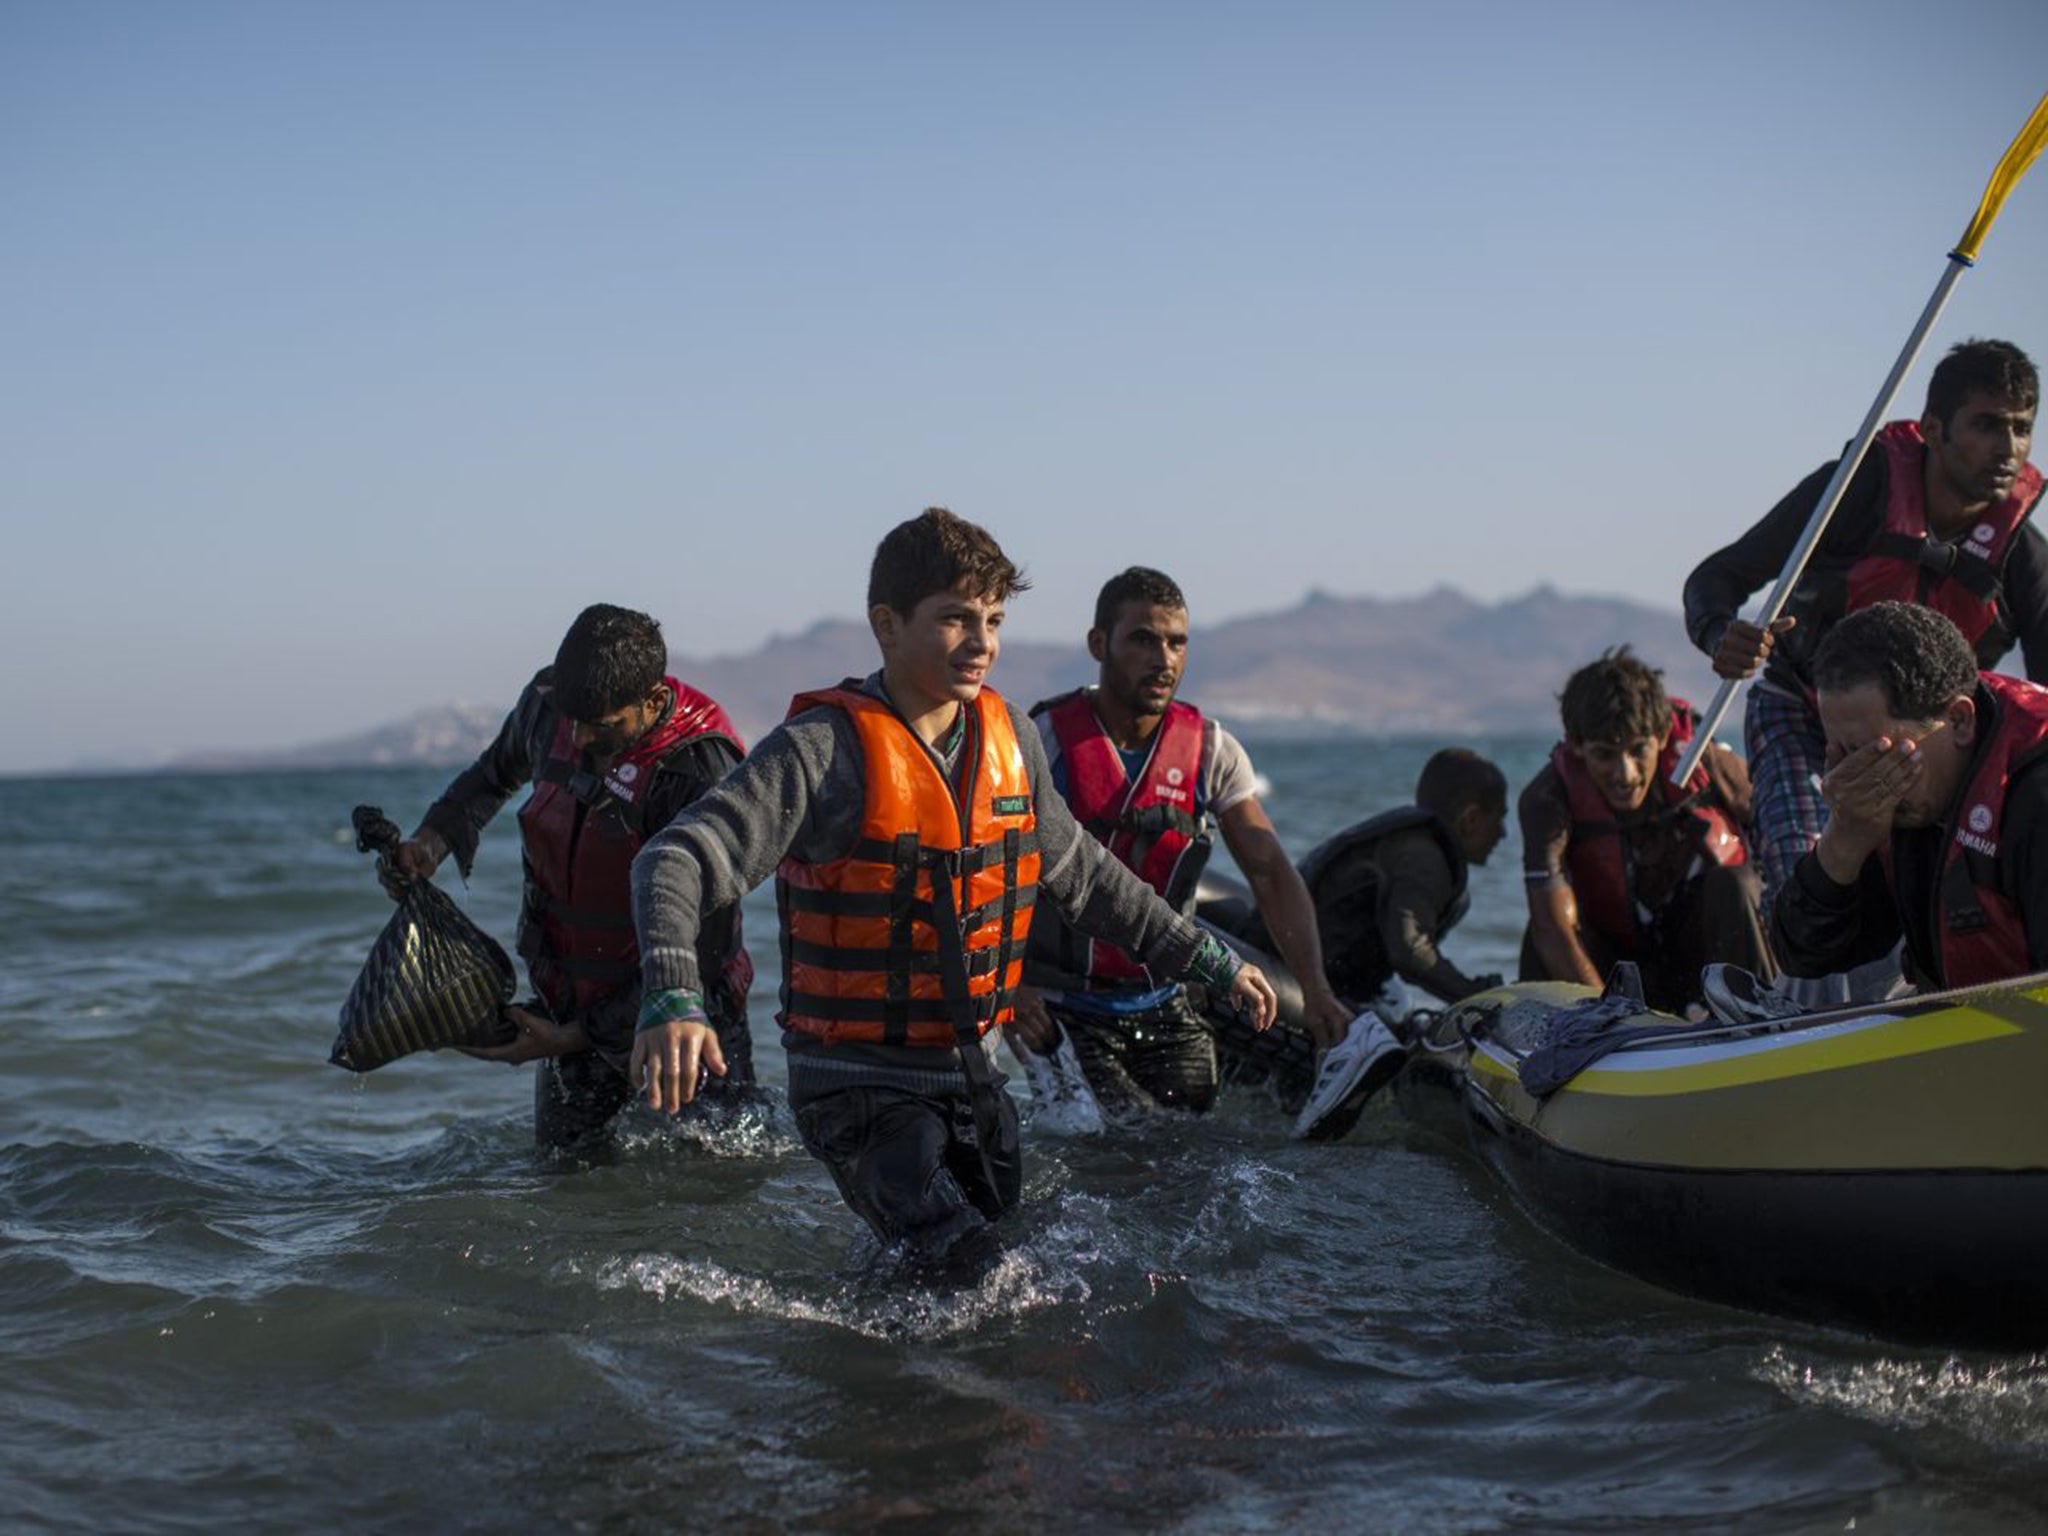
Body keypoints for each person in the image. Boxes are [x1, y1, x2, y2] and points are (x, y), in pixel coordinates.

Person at [627, 510, 1277, 1267]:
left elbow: (1090, 879)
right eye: (955, 620)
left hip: (973, 1072)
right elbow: (672, 860)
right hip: (856, 1084)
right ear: (887, 625)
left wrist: (1207, 960)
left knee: (1000, 1266)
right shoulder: (820, 750)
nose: (983, 643)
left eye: (994, 620)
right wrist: (673, 992)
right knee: (970, 1269)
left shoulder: (1013, 740)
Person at [1684, 339, 2044, 906]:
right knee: (1807, 872)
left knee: (1918, 892)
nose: (2008, 449)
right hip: (1801, 714)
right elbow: (1717, 577)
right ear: (1931, 428)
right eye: (1987, 425)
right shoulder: (1852, 492)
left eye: (2022, 429)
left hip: (1926, 748)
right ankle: (1804, 986)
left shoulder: (2021, 556)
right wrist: (1718, 634)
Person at [388, 604, 755, 1151]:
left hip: (685, 1030)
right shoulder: (548, 706)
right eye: (572, 720)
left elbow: (699, 954)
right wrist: (430, 842)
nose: (579, 739)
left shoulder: (699, 768)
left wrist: (574, 1036)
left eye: (602, 727)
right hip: (569, 1021)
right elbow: (491, 776)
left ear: (652, 703)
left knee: (706, 1196)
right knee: (564, 1194)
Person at [1005, 566, 1355, 1125]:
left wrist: (1314, 990)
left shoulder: (1211, 749)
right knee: (1099, 1142)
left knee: (1192, 1140)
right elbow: (983, 868)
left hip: (1163, 997)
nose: (1163, 658)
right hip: (1059, 1004)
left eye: (1176, 642)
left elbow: (1269, 872)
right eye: (1143, 639)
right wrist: (1010, 983)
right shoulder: (1042, 738)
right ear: (1100, 644)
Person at [1770, 601, 2048, 989]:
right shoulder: (1900, 797)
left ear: (1959, 721)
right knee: (1799, 988)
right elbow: (1805, 955)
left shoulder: (2035, 793)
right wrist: (1843, 841)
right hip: (1966, 1019)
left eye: (1875, 753)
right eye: (1842, 753)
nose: (1854, 774)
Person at [1518, 648, 1774, 1015]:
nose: (1626, 774)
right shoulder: (1546, 799)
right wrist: (1614, 1020)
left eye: (1639, 751)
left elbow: (1786, 846)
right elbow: (1552, 929)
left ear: (1663, 734)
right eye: (1604, 755)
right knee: (1539, 933)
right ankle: (1566, 1045)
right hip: (1618, 972)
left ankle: (1761, 1022)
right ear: (1576, 747)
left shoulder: (1708, 763)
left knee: (1737, 884)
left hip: (1705, 959)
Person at [1295, 746, 1509, 1008]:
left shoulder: (1414, 843)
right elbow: (1410, 953)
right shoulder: (1425, 860)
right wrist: (1476, 996)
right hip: (1308, 978)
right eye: (1499, 818)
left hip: (1321, 970)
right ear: (1470, 819)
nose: (1503, 833)